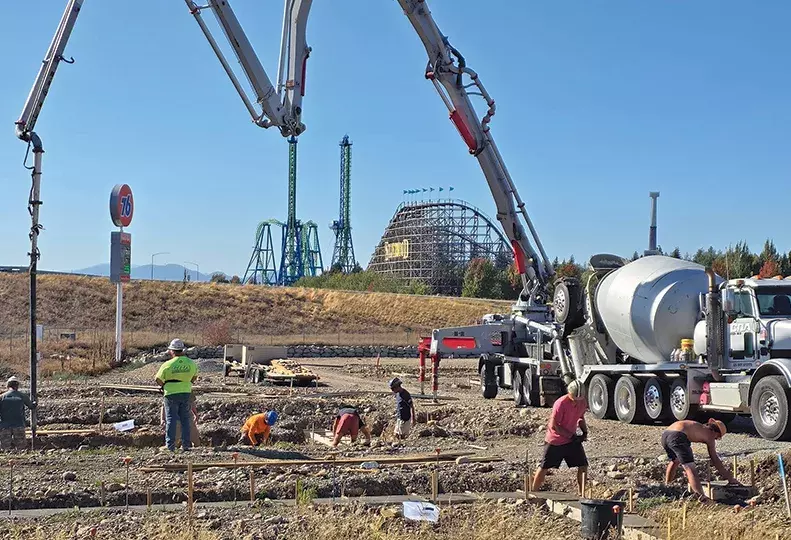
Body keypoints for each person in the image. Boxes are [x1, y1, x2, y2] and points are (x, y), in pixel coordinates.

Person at [531, 380, 589, 494]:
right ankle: (533, 492)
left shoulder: (582, 402)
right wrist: (570, 436)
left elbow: (580, 417)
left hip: (571, 439)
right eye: (574, 398)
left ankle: (582, 494)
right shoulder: (560, 403)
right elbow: (554, 425)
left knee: (583, 465)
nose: (577, 400)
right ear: (569, 393)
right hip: (555, 440)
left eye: (580, 398)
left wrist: (584, 432)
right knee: (544, 466)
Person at [662, 418, 740, 501]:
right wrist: (730, 479)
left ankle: (668, 488)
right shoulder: (710, 436)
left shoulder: (699, 427)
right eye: (718, 437)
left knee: (675, 461)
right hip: (678, 436)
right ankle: (701, 498)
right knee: (690, 468)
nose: (716, 439)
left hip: (665, 435)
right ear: (716, 432)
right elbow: (715, 459)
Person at [155, 339, 198, 452]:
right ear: (182, 350)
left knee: (171, 419)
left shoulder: (167, 364)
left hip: (171, 394)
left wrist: (164, 386)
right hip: (185, 393)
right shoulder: (191, 363)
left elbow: (158, 378)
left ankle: (170, 446)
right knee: (185, 419)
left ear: (172, 351)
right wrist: (187, 383)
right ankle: (186, 445)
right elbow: (194, 377)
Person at [0, 376, 36, 451]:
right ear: (17, 386)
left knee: (5, 449)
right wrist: (35, 402)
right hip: (19, 425)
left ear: (7, 385)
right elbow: (31, 406)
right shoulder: (22, 396)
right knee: (21, 448)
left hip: (4, 426)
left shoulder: (2, 397)